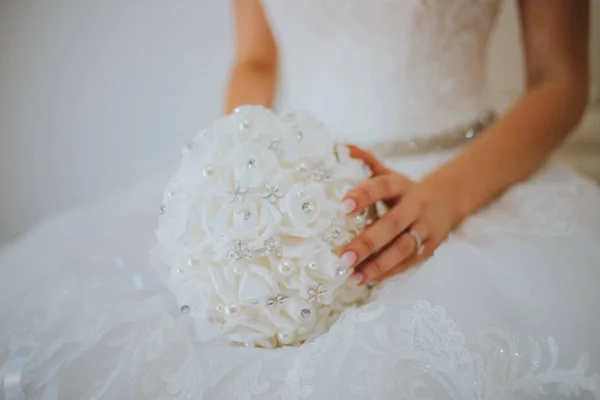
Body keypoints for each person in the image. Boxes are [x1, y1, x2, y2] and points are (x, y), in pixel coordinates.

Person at [1, 0, 599, 398]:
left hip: (460, 180)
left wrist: (446, 197)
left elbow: (561, 80)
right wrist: (242, 172)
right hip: (282, 193)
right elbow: (257, 58)